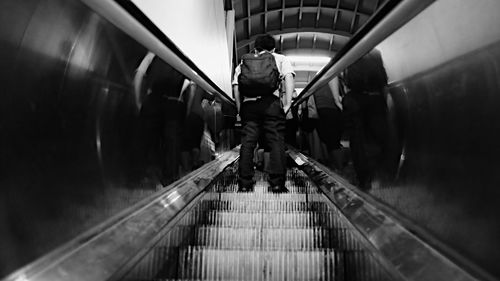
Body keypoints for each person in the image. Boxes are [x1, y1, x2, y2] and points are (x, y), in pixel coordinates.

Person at [233, 34, 295, 192]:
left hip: (248, 105)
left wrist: (240, 109)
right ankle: (276, 183)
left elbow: (236, 86)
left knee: (248, 142)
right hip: (270, 103)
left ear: (255, 48)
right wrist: (287, 104)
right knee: (275, 141)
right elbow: (288, 78)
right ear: (273, 48)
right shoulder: (280, 58)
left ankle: (245, 183)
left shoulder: (244, 61)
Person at [342, 49, 389, 190]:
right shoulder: (376, 52)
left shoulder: (351, 50)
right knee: (379, 137)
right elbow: (383, 79)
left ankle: (364, 179)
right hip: (375, 97)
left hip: (355, 99)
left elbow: (345, 80)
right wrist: (384, 101)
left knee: (357, 140)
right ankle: (380, 176)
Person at [313, 77, 344, 171]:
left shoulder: (319, 79)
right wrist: (338, 102)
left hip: (321, 108)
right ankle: (340, 169)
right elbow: (333, 78)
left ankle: (335, 167)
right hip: (330, 107)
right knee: (334, 140)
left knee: (329, 140)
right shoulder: (333, 74)